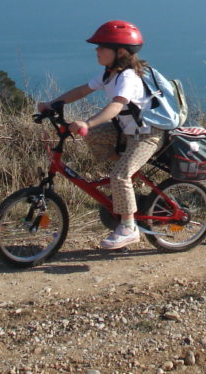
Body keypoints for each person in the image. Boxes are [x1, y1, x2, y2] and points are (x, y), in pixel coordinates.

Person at [37, 20, 163, 250]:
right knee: (93, 136)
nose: (97, 50)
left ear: (121, 52)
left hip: (147, 135)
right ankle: (125, 184)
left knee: (119, 176)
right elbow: (82, 90)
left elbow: (116, 106)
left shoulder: (128, 78)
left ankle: (128, 227)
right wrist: (53, 104)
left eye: (102, 47)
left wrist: (88, 122)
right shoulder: (109, 74)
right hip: (126, 131)